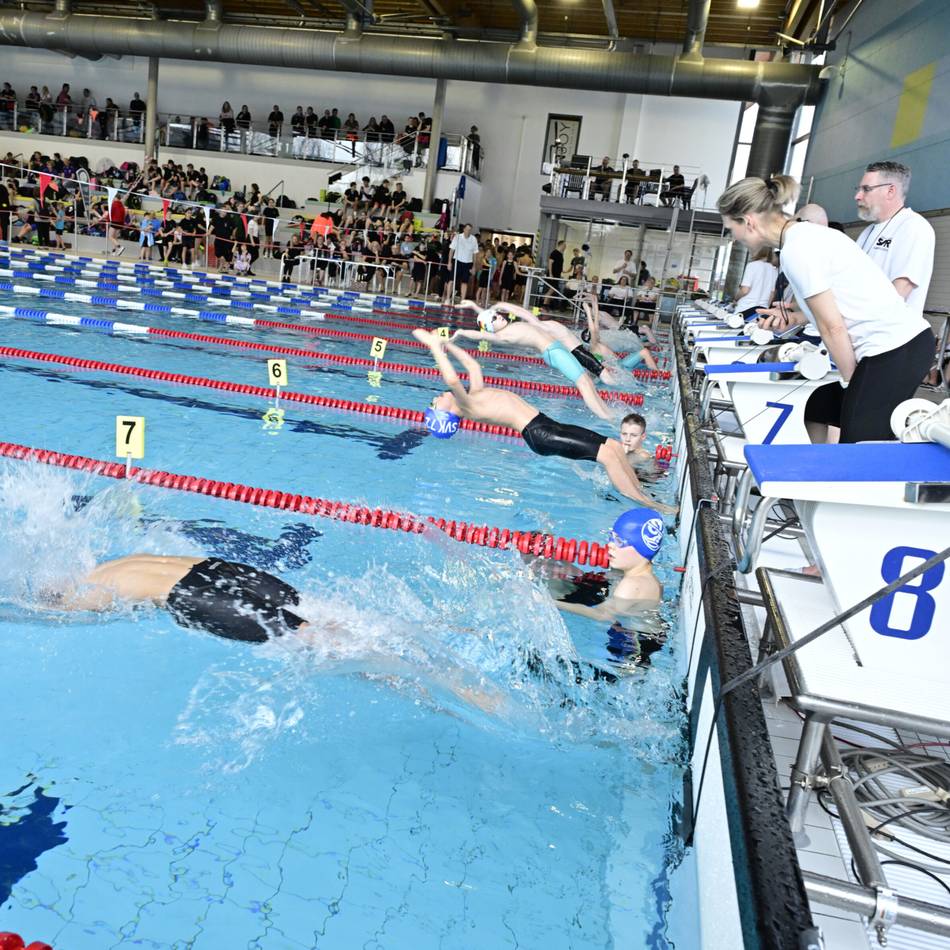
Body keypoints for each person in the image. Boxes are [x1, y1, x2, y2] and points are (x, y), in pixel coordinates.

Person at [718, 174, 935, 444]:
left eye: (730, 228)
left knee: (856, 444)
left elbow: (833, 327)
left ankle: (848, 482)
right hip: (902, 346)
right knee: (817, 406)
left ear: (748, 222)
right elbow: (839, 304)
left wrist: (850, 384)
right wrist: (795, 317)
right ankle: (816, 477)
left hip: (894, 349)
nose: (733, 236)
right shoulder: (805, 238)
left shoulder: (797, 249)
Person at [412, 330, 675, 513]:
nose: (435, 398)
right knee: (607, 456)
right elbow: (452, 380)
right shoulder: (467, 407)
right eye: (434, 405)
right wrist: (436, 349)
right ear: (446, 415)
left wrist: (448, 344)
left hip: (545, 424)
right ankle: (651, 505)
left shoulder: (474, 394)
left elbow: (473, 368)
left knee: (615, 447)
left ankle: (642, 492)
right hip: (540, 434)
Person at [450, 302, 615, 420]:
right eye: (494, 320)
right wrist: (461, 332)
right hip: (554, 352)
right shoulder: (502, 336)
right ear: (491, 328)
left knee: (586, 382)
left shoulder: (510, 326)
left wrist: (476, 306)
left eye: (497, 315)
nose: (498, 317)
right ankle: (607, 417)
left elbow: (521, 313)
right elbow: (480, 334)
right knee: (584, 383)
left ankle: (606, 412)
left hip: (557, 349)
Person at [854, 160, 935, 317]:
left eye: (866, 189)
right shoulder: (867, 232)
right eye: (859, 189)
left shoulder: (914, 227)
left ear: (890, 191)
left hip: (888, 337)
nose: (857, 196)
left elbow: (900, 290)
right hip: (859, 334)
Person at [555, 508, 664, 623]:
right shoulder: (640, 575)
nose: (610, 545)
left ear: (641, 550)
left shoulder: (632, 584)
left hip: (636, 638)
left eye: (619, 541)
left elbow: (602, 615)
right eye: (611, 537)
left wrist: (552, 603)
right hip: (630, 629)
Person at [583, 296, 657, 373]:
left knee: (643, 349)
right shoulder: (594, 345)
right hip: (620, 367)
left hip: (619, 364)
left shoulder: (597, 343)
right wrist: (588, 312)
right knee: (645, 351)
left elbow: (596, 327)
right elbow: (593, 329)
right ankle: (657, 373)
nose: (598, 332)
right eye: (595, 333)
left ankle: (655, 369)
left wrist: (593, 303)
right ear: (591, 337)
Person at [733, 248, 778, 318]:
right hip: (762, 310)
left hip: (745, 308)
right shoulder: (774, 270)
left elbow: (745, 290)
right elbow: (772, 293)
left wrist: (735, 299)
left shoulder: (752, 265)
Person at [448, 222, 479, 302]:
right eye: (467, 229)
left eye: (470, 230)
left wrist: (474, 266)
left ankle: (462, 300)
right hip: (457, 261)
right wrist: (449, 262)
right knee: (451, 280)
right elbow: (451, 250)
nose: (468, 231)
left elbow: (475, 254)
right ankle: (448, 298)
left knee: (464, 282)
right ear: (464, 229)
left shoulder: (473, 239)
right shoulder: (457, 237)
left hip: (468, 263)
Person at [542, 239, 566, 309]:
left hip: (557, 274)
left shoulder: (560, 254)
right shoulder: (554, 253)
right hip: (553, 274)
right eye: (564, 245)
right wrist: (550, 274)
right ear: (561, 245)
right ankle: (544, 305)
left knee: (553, 290)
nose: (565, 247)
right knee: (551, 289)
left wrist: (563, 271)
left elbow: (558, 265)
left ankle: (546, 304)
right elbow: (550, 263)